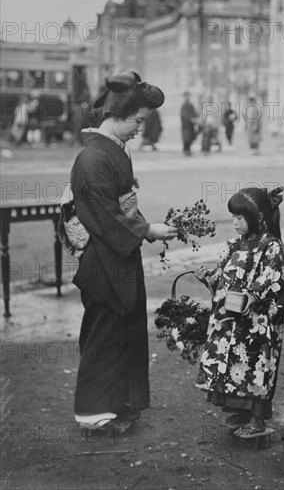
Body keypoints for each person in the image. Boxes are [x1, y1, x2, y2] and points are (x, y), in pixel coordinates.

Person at [68, 71, 178, 434]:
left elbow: (123, 208)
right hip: (101, 260)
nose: (140, 129)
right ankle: (91, 410)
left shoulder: (112, 152)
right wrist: (146, 231)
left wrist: (144, 228)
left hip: (117, 255)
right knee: (104, 330)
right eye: (139, 121)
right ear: (117, 115)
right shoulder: (92, 159)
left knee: (123, 329)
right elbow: (103, 214)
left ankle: (116, 404)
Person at [194, 186, 284, 438]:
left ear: (258, 217)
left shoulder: (271, 247)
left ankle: (257, 419)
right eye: (233, 216)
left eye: (240, 217)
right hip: (231, 320)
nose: (234, 222)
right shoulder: (232, 245)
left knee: (256, 365)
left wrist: (252, 295)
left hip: (256, 323)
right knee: (232, 364)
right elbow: (221, 277)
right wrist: (208, 276)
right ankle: (242, 411)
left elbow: (275, 279)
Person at [180, 91, 198, 156]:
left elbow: (194, 113)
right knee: (186, 138)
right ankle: (186, 150)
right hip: (186, 125)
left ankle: (188, 150)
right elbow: (185, 115)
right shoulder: (184, 105)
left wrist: (195, 117)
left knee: (190, 137)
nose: (188, 97)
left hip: (190, 125)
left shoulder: (190, 105)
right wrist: (190, 119)